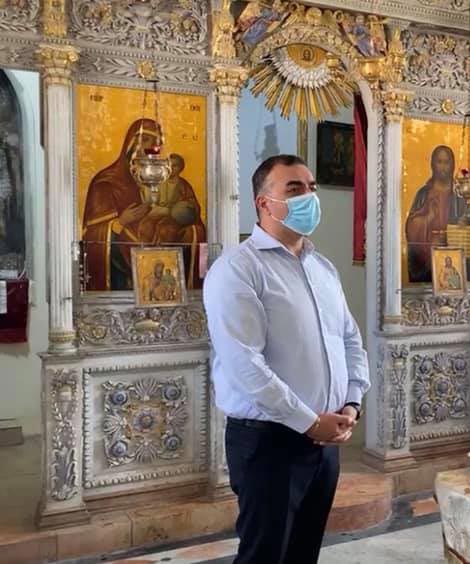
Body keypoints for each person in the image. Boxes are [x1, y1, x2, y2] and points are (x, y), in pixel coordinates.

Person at [203, 154, 369, 563]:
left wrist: (351, 403)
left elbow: (350, 340)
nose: (308, 197)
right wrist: (309, 421)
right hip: (269, 442)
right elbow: (245, 365)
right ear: (264, 203)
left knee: (303, 553)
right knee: (265, 554)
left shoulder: (322, 268)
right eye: (294, 189)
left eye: (311, 188)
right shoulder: (238, 269)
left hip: (326, 440)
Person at [81, 120, 206, 290]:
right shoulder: (106, 183)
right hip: (122, 273)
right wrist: (120, 222)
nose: (151, 148)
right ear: (131, 144)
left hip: (165, 256)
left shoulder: (173, 181)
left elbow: (194, 218)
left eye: (156, 143)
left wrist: (174, 215)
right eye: (145, 140)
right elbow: (91, 234)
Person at [405, 145, 470, 283]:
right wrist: (428, 219)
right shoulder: (423, 194)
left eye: (446, 162)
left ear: (452, 165)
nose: (443, 167)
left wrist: (464, 225)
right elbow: (410, 228)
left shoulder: (460, 195)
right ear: (433, 165)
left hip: (454, 256)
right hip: (429, 259)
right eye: (439, 162)